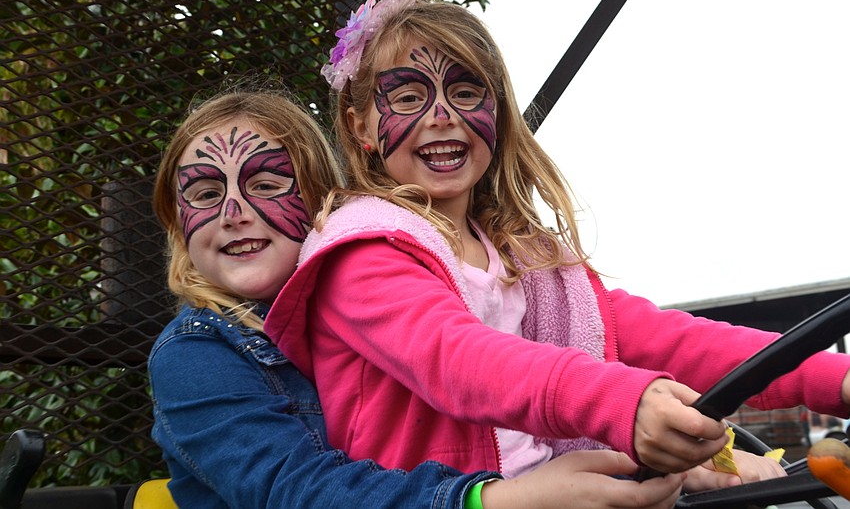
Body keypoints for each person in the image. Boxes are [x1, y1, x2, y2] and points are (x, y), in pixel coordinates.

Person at [263, 0, 850, 482]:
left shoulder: (530, 264)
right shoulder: (359, 253)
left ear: (498, 111)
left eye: (467, 92)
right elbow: (458, 360)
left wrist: (833, 379)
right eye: (410, 97)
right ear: (360, 124)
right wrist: (622, 400)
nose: (442, 114)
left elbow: (664, 337)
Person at [148, 87, 690, 508]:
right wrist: (502, 500)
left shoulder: (380, 302)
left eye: (266, 184)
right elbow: (294, 492)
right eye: (204, 194)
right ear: (177, 221)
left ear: (323, 202)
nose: (233, 211)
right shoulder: (195, 355)